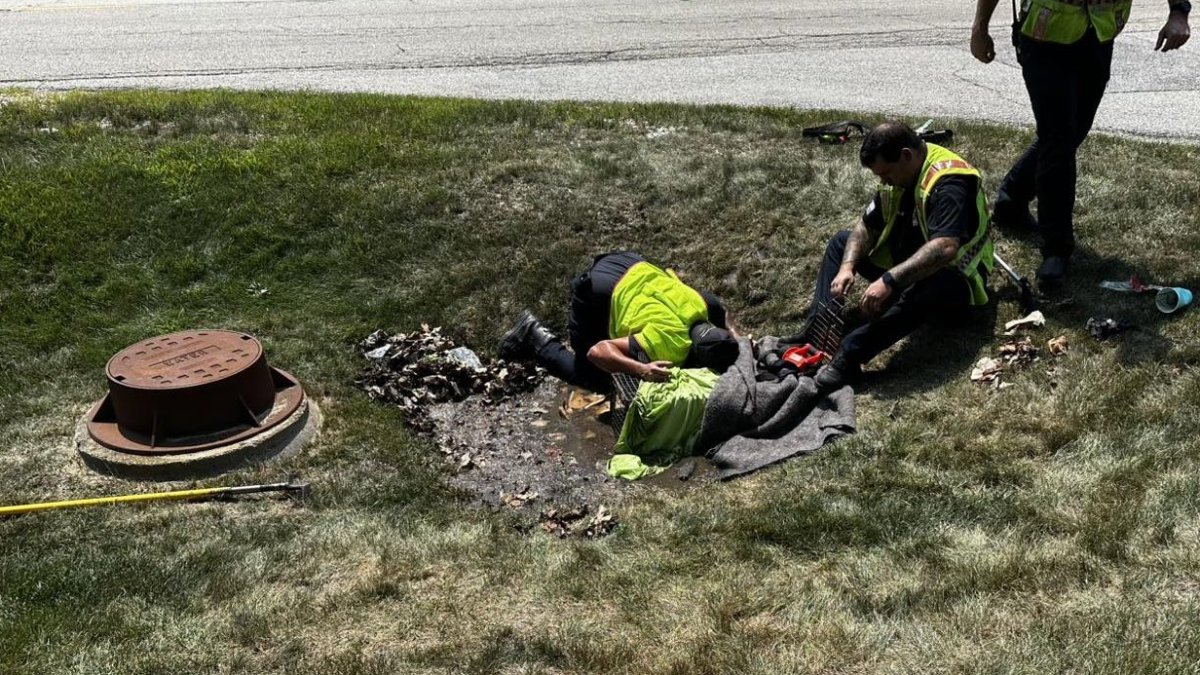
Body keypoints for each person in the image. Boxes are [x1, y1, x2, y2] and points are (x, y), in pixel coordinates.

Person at [971, 0, 1191, 289]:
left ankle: (1012, 198)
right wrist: (980, 27)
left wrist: (1178, 11)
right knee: (1059, 138)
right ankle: (1056, 250)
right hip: (1045, 37)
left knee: (1070, 132)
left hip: (1098, 35)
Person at [804, 121, 995, 390]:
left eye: (886, 173)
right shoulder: (900, 174)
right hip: (909, 267)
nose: (883, 181)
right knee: (842, 242)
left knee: (937, 286)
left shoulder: (949, 182)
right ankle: (819, 329)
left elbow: (945, 248)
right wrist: (847, 267)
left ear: (906, 155)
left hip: (956, 282)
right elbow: (866, 226)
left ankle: (850, 354)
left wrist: (889, 281)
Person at [497, 251, 738, 393]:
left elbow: (726, 321)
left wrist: (737, 339)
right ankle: (533, 336)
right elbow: (597, 352)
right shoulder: (669, 343)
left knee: (622, 344)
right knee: (595, 376)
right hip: (596, 292)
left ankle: (614, 328)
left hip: (626, 261)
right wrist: (641, 369)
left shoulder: (706, 306)